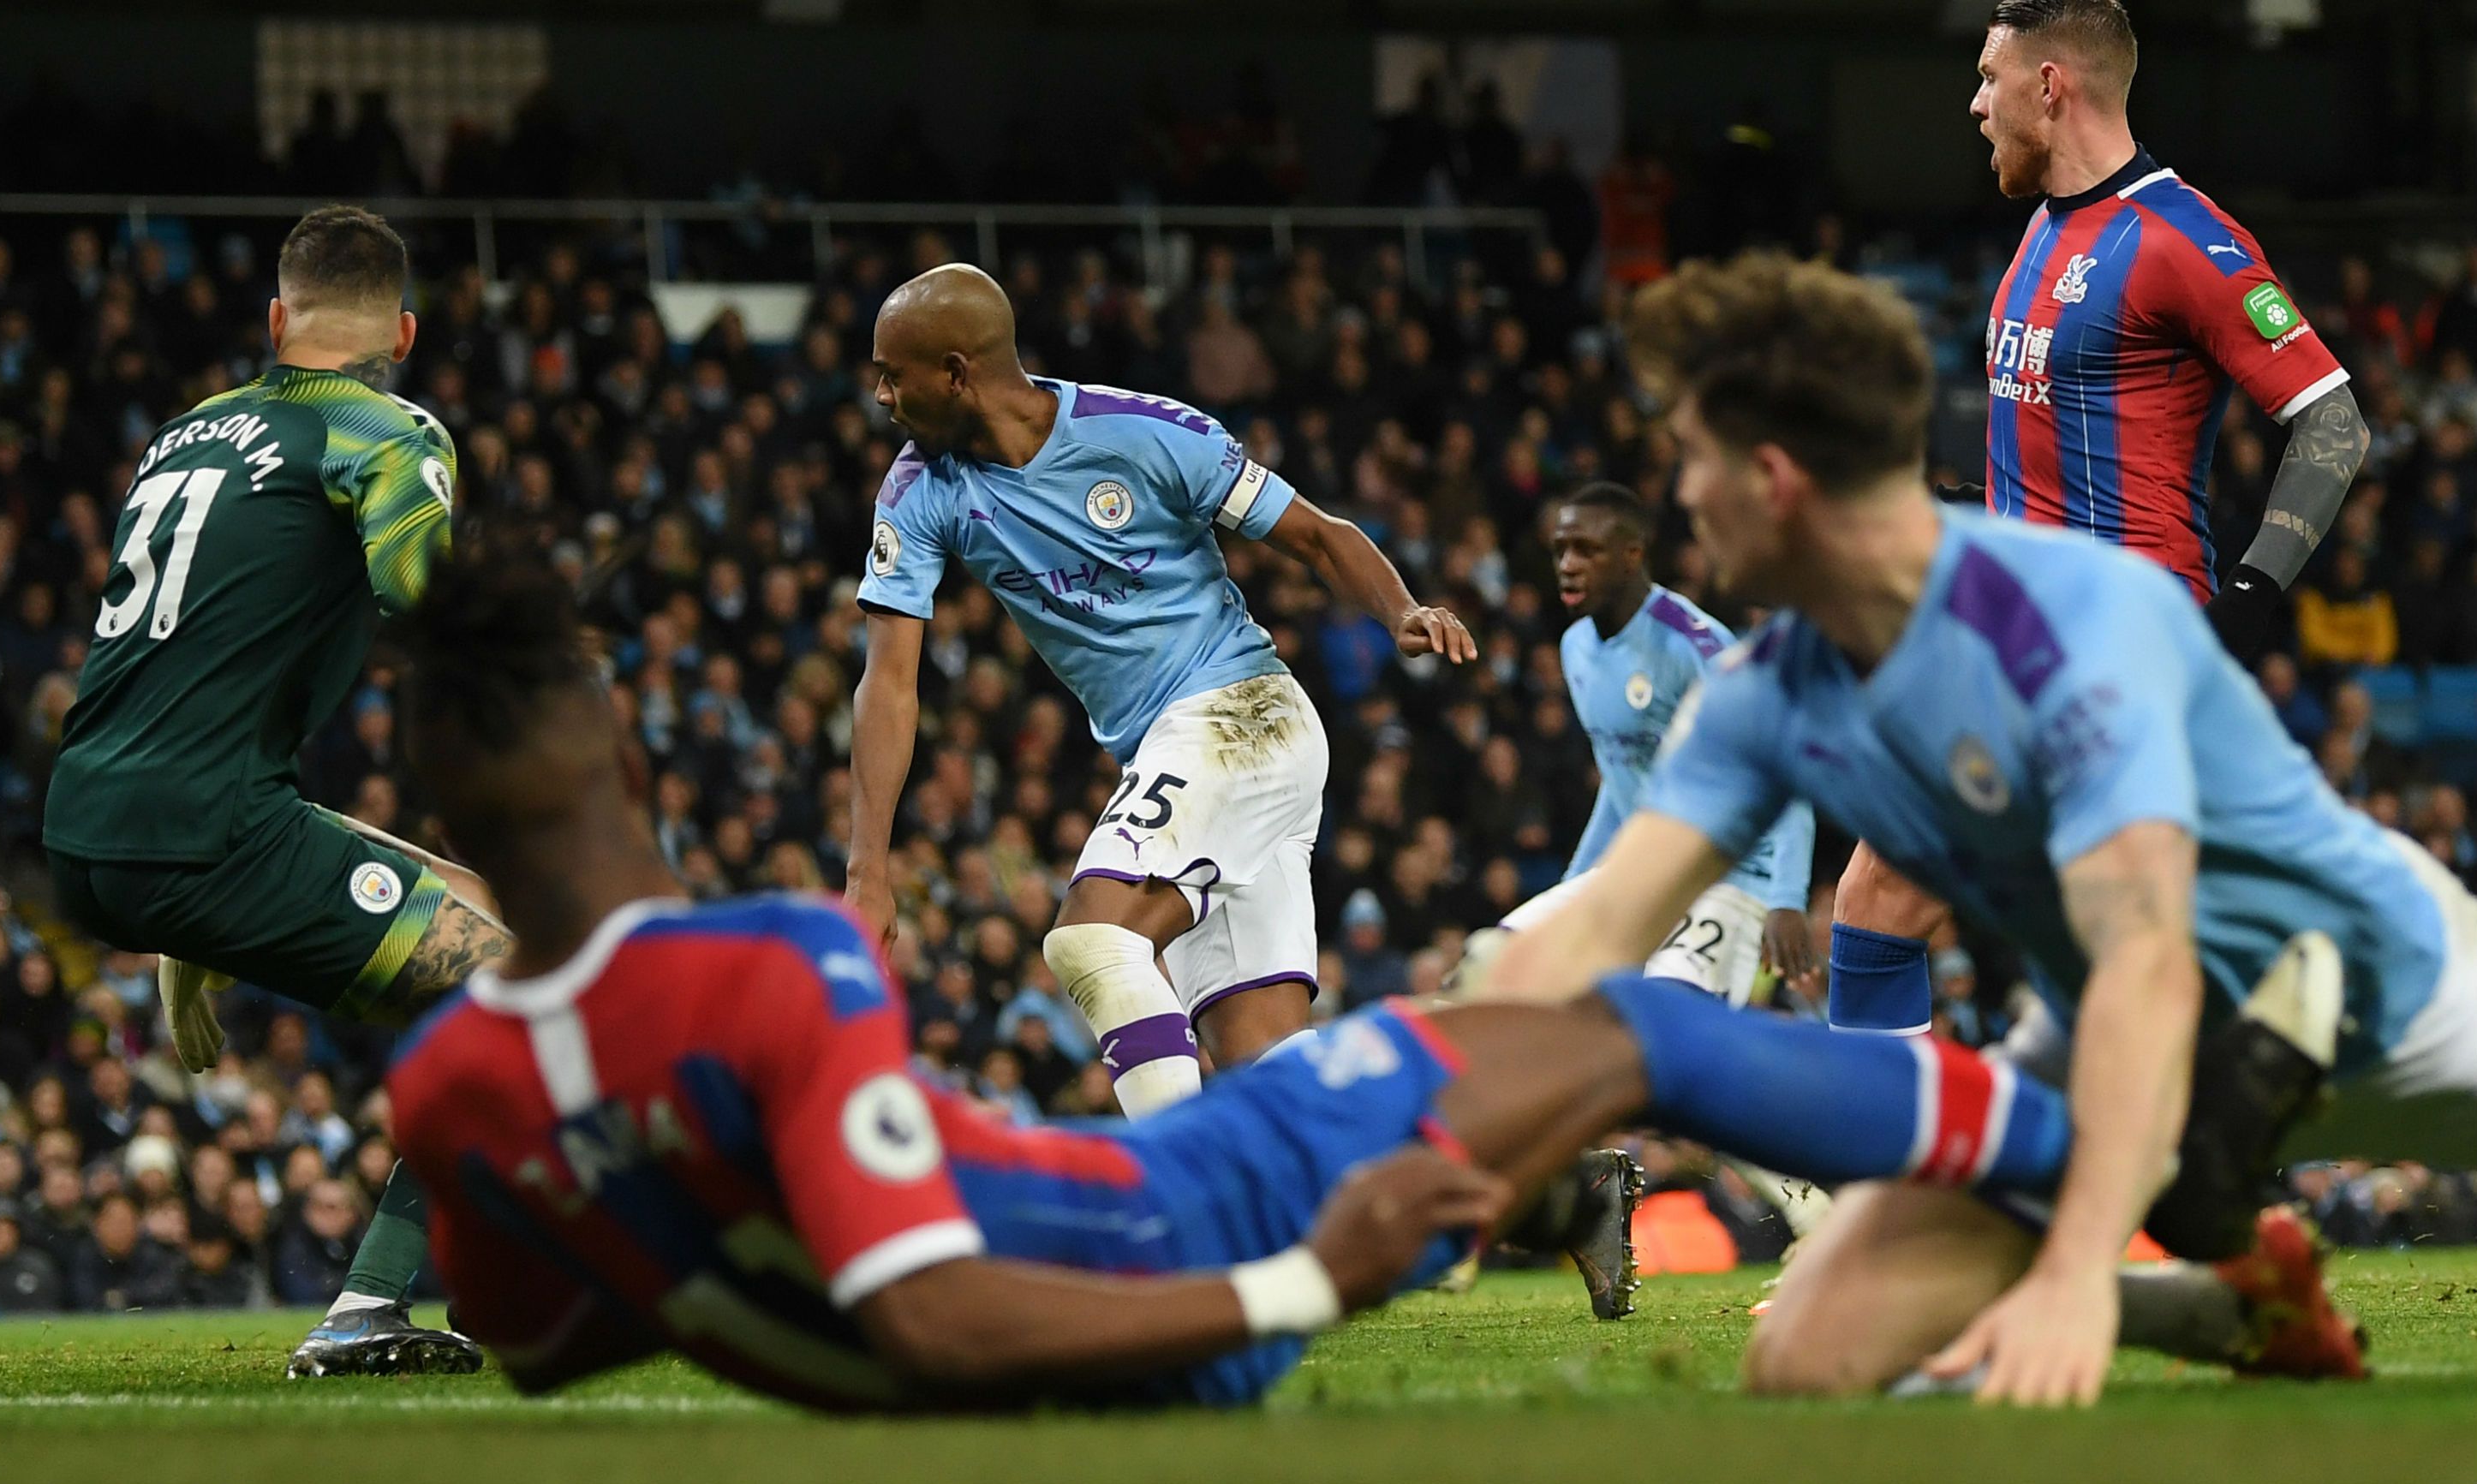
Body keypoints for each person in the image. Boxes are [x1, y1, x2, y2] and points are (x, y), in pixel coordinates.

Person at [1489, 253, 2477, 1404]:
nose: (1683, 498)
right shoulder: (1759, 695)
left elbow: (2151, 951)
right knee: (1811, 1351)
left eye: (1693, 460)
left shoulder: (2072, 612)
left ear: (1775, 476)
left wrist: (2069, 1262)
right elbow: (1589, 929)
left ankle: (2144, 1230)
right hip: (2116, 1036)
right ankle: (2229, 1302)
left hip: (2378, 990)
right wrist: (1448, 1112)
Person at [383, 545, 1670, 1412]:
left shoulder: (445, 1089)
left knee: (1212, 1025)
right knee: (1627, 1045)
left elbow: (540, 1341)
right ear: (644, 775)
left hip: (1227, 759)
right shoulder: (780, 961)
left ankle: (1567, 1189)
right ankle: (1622, 1155)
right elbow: (938, 1319)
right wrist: (1303, 1284)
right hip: (1152, 1265)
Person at [1823, 0, 2375, 1037]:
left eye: (1991, 78)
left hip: (2116, 644)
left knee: (1912, 909)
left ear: (2051, 87)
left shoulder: (2183, 238)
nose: (1975, 103)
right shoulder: (2041, 230)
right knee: (1886, 904)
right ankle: (1891, 1166)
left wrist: (2247, 606)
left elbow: (2335, 426)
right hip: (2020, 633)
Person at [39, 205, 506, 1376]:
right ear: (402, 331)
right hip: (212, 834)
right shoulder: (386, 430)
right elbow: (424, 598)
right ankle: (374, 1305)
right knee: (526, 1000)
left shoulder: (183, 434)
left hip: (88, 821)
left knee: (482, 903)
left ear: (274, 319)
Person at [845, 264, 1474, 1115]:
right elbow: (889, 683)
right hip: (1199, 756)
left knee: (1093, 939)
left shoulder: (1142, 433)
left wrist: (1400, 609)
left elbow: (1319, 538)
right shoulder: (922, 490)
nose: (879, 393)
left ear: (956, 371)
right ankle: (1553, 1188)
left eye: (893, 372)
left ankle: (1178, 1198)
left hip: (1241, 711)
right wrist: (867, 868)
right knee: (1275, 1086)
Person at [1486, 482, 1814, 1004]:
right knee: (1487, 971)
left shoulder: (1695, 647)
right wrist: (1573, 888)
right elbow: (1623, 783)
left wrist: (1787, 898)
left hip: (1730, 879)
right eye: (1560, 550)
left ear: (1631, 555)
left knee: (1664, 1017)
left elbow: (1781, 768)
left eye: (1586, 550)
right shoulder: (1576, 647)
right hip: (1643, 872)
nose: (1568, 565)